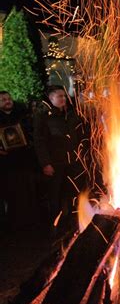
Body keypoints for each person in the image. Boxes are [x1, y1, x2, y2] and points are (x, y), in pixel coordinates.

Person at [34, 86, 86, 232]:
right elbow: (39, 141)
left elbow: (80, 135)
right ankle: (55, 225)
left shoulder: (71, 114)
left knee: (74, 192)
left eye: (64, 96)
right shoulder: (44, 117)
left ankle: (74, 223)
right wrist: (46, 163)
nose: (63, 99)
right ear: (51, 99)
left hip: (74, 161)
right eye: (59, 96)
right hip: (55, 163)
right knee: (55, 195)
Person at [0, 91, 38, 230]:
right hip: (6, 164)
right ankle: (15, 225)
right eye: (3, 99)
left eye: (9, 98)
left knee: (29, 191)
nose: (7, 101)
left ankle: (31, 222)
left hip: (25, 160)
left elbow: (32, 134)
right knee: (12, 194)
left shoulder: (22, 116)